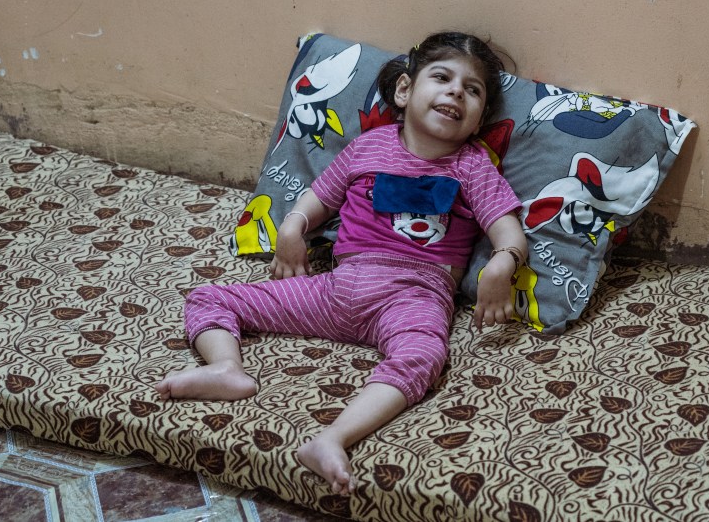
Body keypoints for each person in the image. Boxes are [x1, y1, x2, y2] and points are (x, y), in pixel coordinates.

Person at [156, 32, 527, 495]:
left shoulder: (472, 166)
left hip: (415, 297)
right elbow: (317, 201)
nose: (456, 91)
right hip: (337, 288)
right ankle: (226, 368)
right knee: (210, 297)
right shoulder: (366, 149)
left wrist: (502, 264)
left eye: (473, 90)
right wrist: (292, 230)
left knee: (424, 356)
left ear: (477, 121)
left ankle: (333, 438)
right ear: (405, 91)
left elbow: (509, 230)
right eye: (443, 77)